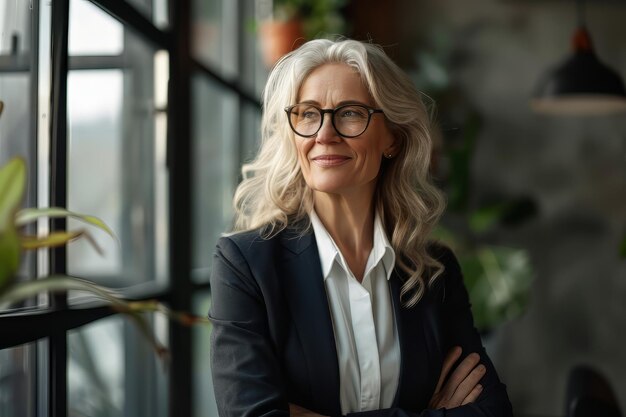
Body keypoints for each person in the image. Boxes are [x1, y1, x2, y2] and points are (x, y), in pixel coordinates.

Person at [209, 38, 513, 417]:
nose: (324, 133)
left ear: (393, 138)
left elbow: (493, 411)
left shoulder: (436, 269)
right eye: (307, 113)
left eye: (350, 113)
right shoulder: (245, 265)